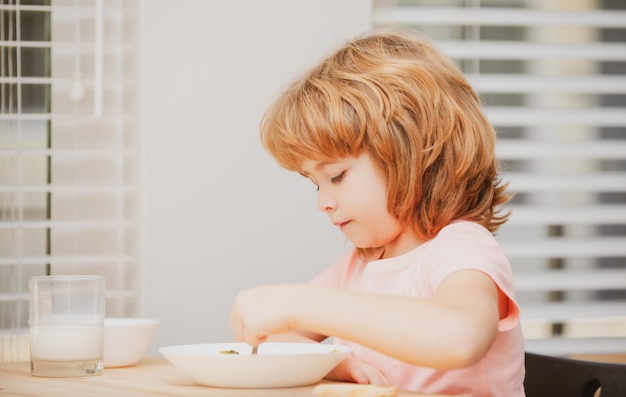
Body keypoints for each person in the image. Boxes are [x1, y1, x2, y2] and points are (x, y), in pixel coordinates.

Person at [230, 28, 526, 397]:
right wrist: (336, 362)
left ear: (411, 154)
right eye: (315, 183)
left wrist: (305, 303)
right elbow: (272, 335)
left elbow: (460, 338)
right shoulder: (360, 264)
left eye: (337, 176)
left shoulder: (461, 249)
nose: (322, 201)